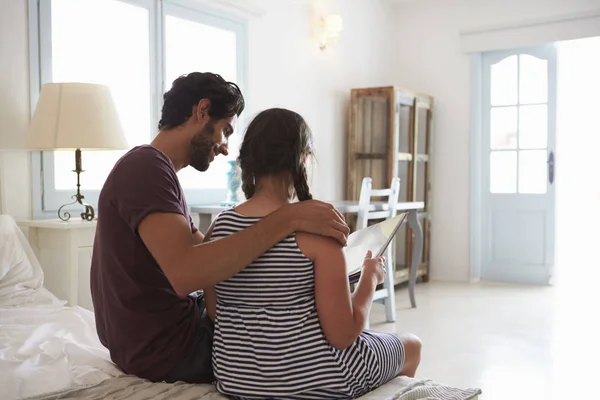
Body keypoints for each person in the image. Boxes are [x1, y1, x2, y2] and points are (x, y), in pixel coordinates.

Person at [89, 73, 350, 385]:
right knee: (310, 332)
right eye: (225, 130)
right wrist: (288, 218)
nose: (226, 147)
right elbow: (186, 274)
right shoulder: (146, 167)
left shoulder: (156, 172)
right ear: (202, 112)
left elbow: (206, 252)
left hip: (151, 343)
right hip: (170, 351)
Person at [203, 108, 422, 399]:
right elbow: (343, 336)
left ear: (248, 159)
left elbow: (217, 312)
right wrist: (369, 279)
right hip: (320, 383)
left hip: (237, 382)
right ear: (303, 158)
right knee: (411, 344)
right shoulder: (318, 232)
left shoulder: (218, 228)